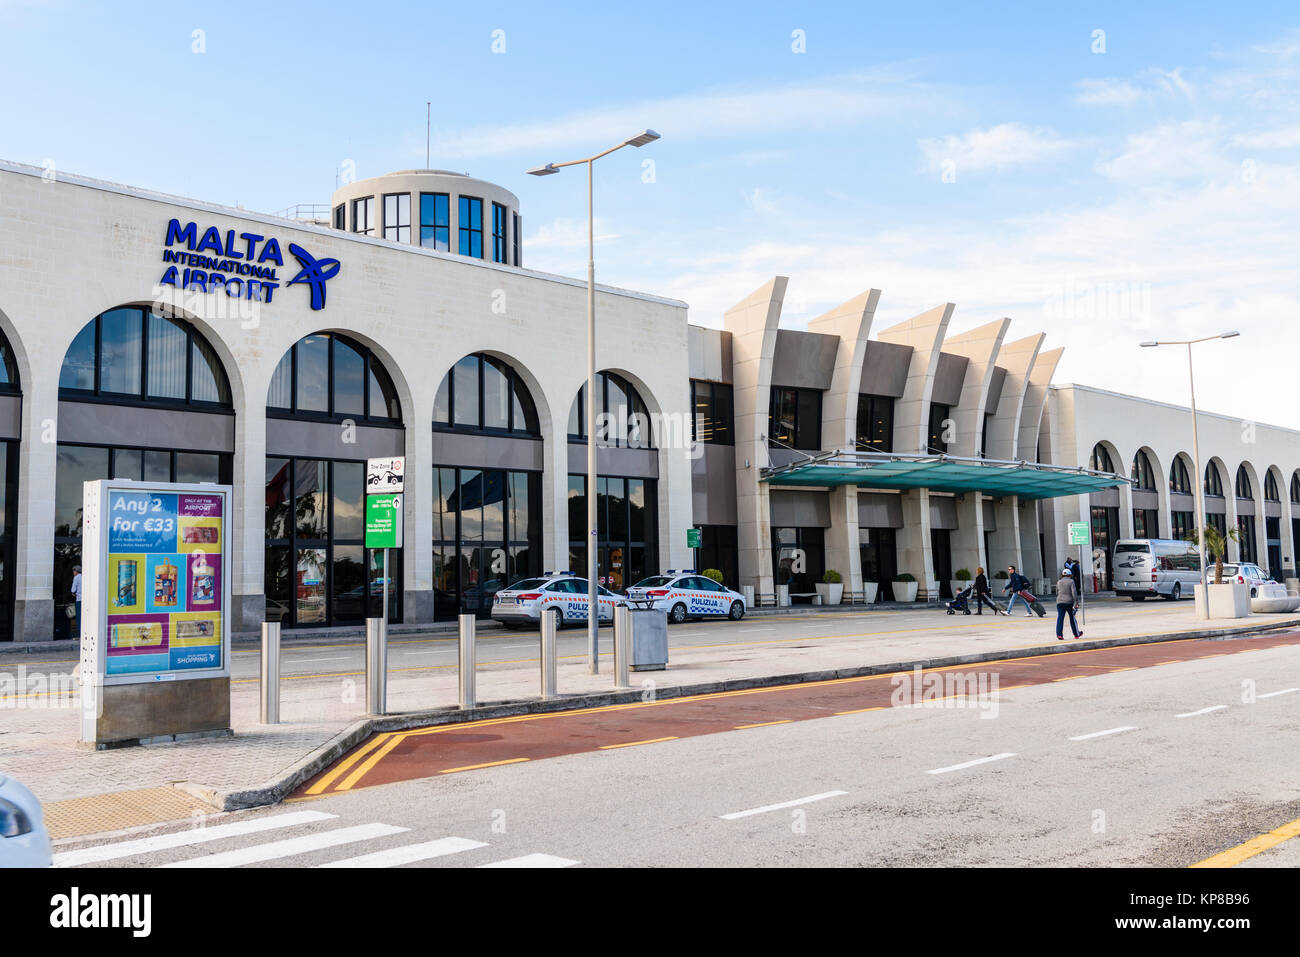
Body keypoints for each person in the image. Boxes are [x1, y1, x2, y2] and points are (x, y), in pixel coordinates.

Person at [1055, 566, 1083, 640]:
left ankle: (1059, 635)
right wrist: (1076, 601)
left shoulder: (1059, 582)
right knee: (1072, 618)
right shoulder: (1071, 581)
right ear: (1070, 575)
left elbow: (1057, 592)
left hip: (1060, 602)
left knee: (1060, 618)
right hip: (1069, 602)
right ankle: (1076, 634)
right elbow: (1074, 592)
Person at [70, 565, 83, 639]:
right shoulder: (84, 577)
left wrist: (73, 592)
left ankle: (79, 633)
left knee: (79, 617)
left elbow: (73, 589)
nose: (73, 572)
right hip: (85, 600)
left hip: (79, 600)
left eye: (73, 571)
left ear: (76, 571)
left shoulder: (76, 577)